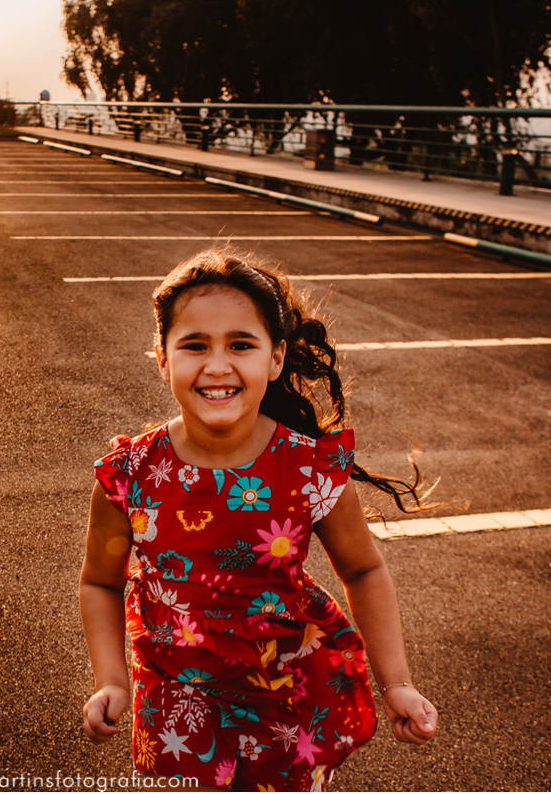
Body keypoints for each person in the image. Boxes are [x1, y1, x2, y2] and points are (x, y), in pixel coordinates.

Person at [79, 248, 437, 791]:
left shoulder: (308, 468)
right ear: (161, 357)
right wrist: (111, 680)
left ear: (274, 358)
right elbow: (98, 582)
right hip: (178, 713)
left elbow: (364, 571)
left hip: (286, 711)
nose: (218, 365)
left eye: (241, 345)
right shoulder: (129, 475)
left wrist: (398, 684)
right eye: (194, 345)